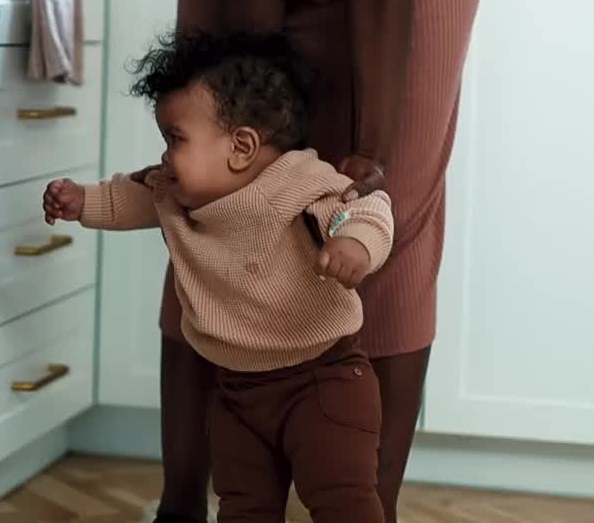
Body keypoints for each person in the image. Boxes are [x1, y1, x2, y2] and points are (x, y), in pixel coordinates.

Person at [33, 0, 487, 521]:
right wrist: (240, 150)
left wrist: (368, 152)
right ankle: (180, 507)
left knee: (386, 212)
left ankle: (370, 510)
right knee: (206, 192)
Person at [43, 30, 395, 523]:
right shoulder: (173, 192)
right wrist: (82, 201)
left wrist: (355, 243)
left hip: (324, 381)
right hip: (236, 393)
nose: (164, 156)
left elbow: (363, 208)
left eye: (175, 139)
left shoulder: (300, 183)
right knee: (243, 506)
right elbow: (130, 197)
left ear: (242, 146)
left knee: (343, 501)